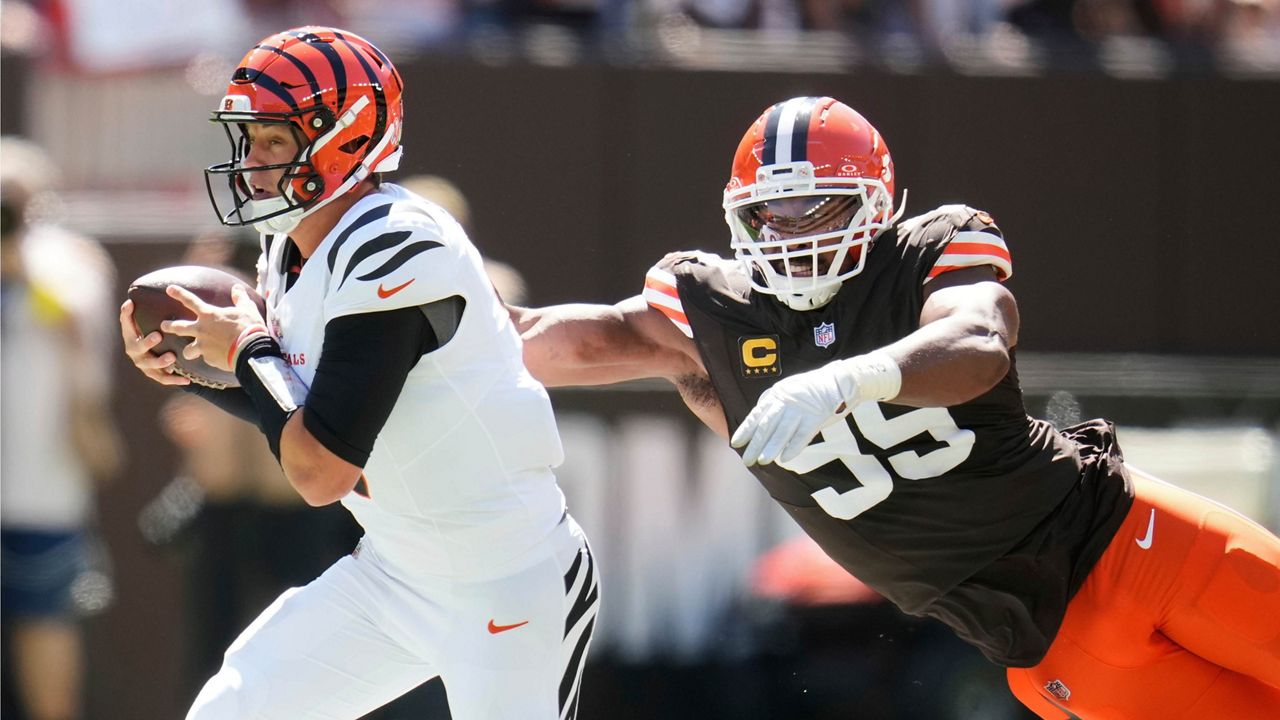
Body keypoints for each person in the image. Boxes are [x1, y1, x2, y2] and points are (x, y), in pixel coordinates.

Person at [509, 96, 1280, 718]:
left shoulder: (923, 256)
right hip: (1047, 649)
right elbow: (537, 340)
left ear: (876, 206)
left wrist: (851, 380)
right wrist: (440, 309)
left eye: (818, 208)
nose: (792, 233)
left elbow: (980, 340)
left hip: (1135, 546)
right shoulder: (711, 318)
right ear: (740, 216)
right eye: (774, 212)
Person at [118, 27, 599, 720]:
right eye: (249, 140)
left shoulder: (394, 244)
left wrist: (246, 350)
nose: (252, 164)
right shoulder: (288, 246)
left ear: (342, 139)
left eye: (274, 141)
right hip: (398, 572)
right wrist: (193, 370)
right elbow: (301, 407)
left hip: (508, 578)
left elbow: (320, 472)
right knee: (231, 710)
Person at [1, 136, 124, 720]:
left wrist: (17, 261)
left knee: (44, 628)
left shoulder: (65, 257)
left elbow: (77, 318)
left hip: (39, 490)